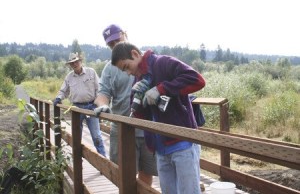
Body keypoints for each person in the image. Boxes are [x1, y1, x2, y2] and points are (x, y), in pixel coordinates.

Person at [111, 42, 206, 194]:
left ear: (135, 54)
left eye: (127, 67)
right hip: (160, 149)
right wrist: (135, 96)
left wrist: (161, 88)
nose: (128, 73)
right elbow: (138, 116)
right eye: (124, 70)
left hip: (183, 143)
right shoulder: (138, 80)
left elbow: (197, 80)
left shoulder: (163, 63)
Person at [93, 24, 157, 185]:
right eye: (111, 44)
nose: (115, 46)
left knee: (146, 173)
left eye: (117, 40)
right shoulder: (109, 68)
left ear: (125, 35)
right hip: (122, 129)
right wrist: (102, 105)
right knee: (122, 176)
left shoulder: (144, 60)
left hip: (147, 128)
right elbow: (103, 94)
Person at [53, 52, 106, 157]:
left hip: (91, 107)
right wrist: (59, 98)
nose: (74, 64)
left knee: (96, 136)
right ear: (70, 65)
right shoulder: (69, 77)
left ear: (80, 61)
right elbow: (64, 91)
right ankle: (77, 160)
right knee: (77, 136)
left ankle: (104, 159)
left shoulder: (91, 72)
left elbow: (99, 88)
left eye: (76, 62)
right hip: (76, 108)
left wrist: (99, 104)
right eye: (72, 63)